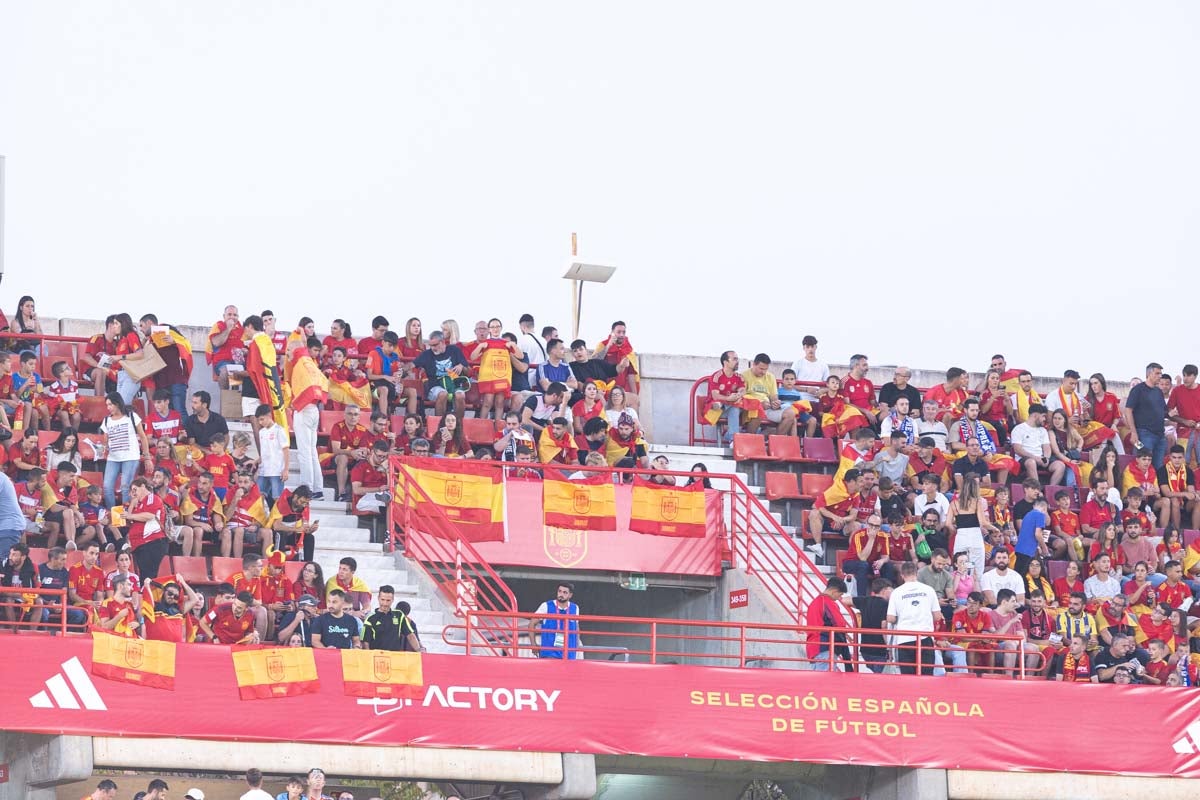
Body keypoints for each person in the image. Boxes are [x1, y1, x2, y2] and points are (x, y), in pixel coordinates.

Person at [886, 561, 940, 676]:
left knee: (908, 678)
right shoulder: (929, 590)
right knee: (926, 676)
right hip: (925, 637)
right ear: (917, 573)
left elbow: (890, 618)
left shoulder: (896, 592)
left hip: (904, 638)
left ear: (902, 575)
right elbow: (937, 616)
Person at [1124, 362, 1168, 468]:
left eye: (1160, 374)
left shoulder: (1158, 391)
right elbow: (1128, 410)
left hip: (1160, 436)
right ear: (1149, 373)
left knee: (1158, 467)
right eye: (1157, 373)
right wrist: (1133, 432)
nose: (1160, 376)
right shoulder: (1138, 390)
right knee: (1141, 465)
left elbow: (1163, 411)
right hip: (1143, 434)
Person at [1010, 404, 1065, 484]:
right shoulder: (1018, 429)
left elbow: (1047, 447)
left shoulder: (1043, 430)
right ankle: (1037, 490)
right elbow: (1018, 449)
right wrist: (1035, 458)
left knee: (1060, 465)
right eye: (1043, 416)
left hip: (1041, 459)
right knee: (1031, 462)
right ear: (1035, 415)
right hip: (1025, 459)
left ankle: (1050, 490)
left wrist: (1046, 458)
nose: (1045, 419)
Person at [804, 576, 851, 670]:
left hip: (814, 647)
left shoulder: (815, 602)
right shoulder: (827, 602)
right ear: (834, 591)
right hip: (825, 647)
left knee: (818, 681)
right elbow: (839, 623)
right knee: (825, 682)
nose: (839, 598)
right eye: (840, 594)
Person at [842, 514, 893, 598]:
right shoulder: (858, 535)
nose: (873, 528)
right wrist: (871, 539)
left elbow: (886, 556)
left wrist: (881, 561)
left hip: (869, 563)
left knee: (888, 566)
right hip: (852, 562)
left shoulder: (883, 536)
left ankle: (886, 597)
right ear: (866, 523)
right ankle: (861, 598)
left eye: (876, 526)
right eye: (871, 525)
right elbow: (862, 558)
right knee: (863, 565)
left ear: (880, 527)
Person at [948, 475, 988, 578]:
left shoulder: (954, 503)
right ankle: (976, 592)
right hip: (975, 537)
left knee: (960, 569)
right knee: (977, 571)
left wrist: (957, 530)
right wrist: (995, 529)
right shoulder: (977, 502)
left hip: (961, 537)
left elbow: (948, 524)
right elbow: (983, 523)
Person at [529, 582, 582, 659]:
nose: (561, 594)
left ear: (570, 595)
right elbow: (531, 624)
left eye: (565, 592)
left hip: (569, 655)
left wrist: (576, 645)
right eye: (559, 591)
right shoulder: (546, 606)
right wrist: (533, 644)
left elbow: (576, 627)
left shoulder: (575, 608)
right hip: (549, 654)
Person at [362, 585, 423, 652]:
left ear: (393, 600)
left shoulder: (399, 615)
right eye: (382, 600)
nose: (385, 603)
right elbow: (365, 642)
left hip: (395, 656)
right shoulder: (370, 619)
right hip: (377, 657)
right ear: (378, 598)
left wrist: (419, 650)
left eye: (388, 600)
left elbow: (410, 635)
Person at [851, 578, 893, 673]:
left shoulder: (864, 600)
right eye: (890, 589)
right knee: (882, 679)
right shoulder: (886, 605)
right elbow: (884, 626)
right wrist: (889, 648)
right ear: (884, 590)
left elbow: (844, 600)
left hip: (865, 649)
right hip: (879, 650)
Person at [1158, 444, 1200, 530]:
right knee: (1175, 500)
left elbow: (1191, 490)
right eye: (1174, 457)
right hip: (1168, 502)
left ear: (1184, 458)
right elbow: (1167, 493)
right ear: (1170, 457)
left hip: (1185, 503)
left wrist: (1194, 495)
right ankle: (1177, 532)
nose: (1177, 460)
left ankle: (1194, 533)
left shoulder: (1188, 471)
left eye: (1179, 457)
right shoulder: (1162, 470)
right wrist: (1184, 494)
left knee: (1198, 503)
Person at [918, 549, 956, 623]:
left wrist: (952, 600)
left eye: (944, 564)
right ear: (932, 560)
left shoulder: (947, 575)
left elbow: (950, 593)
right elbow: (919, 596)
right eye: (939, 563)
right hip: (926, 603)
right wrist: (935, 602)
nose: (941, 567)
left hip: (942, 603)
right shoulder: (921, 573)